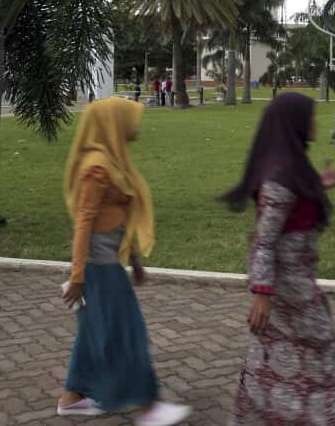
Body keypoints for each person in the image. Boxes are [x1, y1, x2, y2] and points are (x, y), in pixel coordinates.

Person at [57, 98, 191, 426]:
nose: (136, 126)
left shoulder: (113, 161)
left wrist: (134, 258)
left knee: (92, 333)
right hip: (97, 269)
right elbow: (84, 223)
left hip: (106, 265)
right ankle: (148, 407)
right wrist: (78, 276)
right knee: (128, 332)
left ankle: (71, 399)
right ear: (113, 124)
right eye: (130, 119)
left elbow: (120, 216)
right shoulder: (97, 168)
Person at [221, 93, 335, 425]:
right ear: (294, 122)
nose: (315, 123)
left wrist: (323, 182)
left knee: (285, 364)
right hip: (289, 293)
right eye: (310, 117)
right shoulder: (279, 176)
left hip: (299, 289)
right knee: (312, 361)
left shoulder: (289, 165)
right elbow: (264, 241)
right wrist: (262, 294)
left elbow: (298, 193)